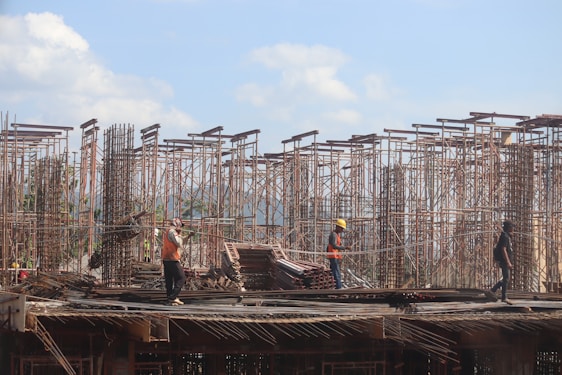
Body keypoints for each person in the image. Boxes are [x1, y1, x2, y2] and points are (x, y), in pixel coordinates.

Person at [162, 217, 193, 305]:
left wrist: (189, 236)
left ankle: (169, 298)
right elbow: (178, 242)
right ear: (177, 224)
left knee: (169, 280)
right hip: (172, 259)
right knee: (181, 278)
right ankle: (173, 297)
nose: (181, 228)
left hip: (166, 259)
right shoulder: (172, 232)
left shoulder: (170, 232)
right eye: (180, 226)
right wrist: (179, 233)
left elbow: (181, 241)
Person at [490, 220, 515, 305]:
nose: (513, 229)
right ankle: (504, 297)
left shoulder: (506, 236)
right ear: (509, 227)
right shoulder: (504, 236)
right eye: (512, 227)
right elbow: (503, 249)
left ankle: (493, 290)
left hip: (506, 260)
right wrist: (508, 262)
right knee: (506, 278)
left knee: (506, 279)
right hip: (504, 261)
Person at [327, 219, 351, 289]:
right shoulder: (333, 234)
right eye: (342, 228)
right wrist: (345, 247)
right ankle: (338, 288)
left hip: (335, 256)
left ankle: (333, 287)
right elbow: (334, 245)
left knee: (334, 272)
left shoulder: (336, 235)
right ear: (338, 227)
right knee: (336, 273)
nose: (342, 230)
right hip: (333, 256)